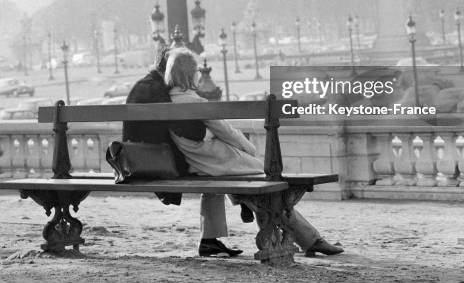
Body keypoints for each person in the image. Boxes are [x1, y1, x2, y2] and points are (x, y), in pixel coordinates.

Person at [164, 47, 345, 259]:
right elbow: (227, 131)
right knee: (269, 185)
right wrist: (249, 149)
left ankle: (230, 219)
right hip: (217, 162)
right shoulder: (195, 102)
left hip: (198, 164)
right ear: (190, 74)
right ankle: (311, 240)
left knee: (252, 190)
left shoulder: (166, 102)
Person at [122, 43, 191, 206]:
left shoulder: (142, 85)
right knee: (212, 160)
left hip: (133, 161)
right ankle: (240, 200)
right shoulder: (159, 90)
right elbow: (182, 130)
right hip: (159, 165)